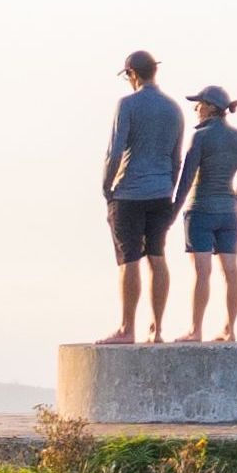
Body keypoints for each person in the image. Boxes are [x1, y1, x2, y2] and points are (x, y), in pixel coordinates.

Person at [101, 51, 184, 344]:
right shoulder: (174, 109)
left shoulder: (127, 105)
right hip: (161, 192)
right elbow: (177, 159)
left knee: (130, 260)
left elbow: (115, 151)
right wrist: (170, 190)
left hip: (130, 192)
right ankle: (157, 329)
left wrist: (107, 187)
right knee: (157, 257)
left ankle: (127, 328)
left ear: (133, 74)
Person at [175, 86, 237, 344]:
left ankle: (195, 330)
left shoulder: (201, 137)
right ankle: (230, 329)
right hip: (229, 213)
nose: (195, 109)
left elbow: (187, 178)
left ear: (210, 107)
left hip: (201, 210)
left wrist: (174, 209)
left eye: (198, 104)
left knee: (202, 272)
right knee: (231, 270)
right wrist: (234, 200)